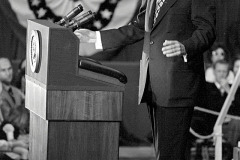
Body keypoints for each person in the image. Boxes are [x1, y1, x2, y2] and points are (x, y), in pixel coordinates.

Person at [74, 0, 216, 159]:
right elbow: (138, 28)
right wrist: (96, 37)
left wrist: (186, 47)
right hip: (154, 83)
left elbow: (207, 29)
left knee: (171, 153)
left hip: (177, 84)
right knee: (163, 151)